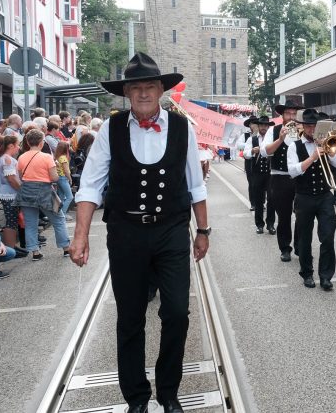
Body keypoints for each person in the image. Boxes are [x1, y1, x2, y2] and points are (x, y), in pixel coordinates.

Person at [70, 52, 210, 413]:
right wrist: (80, 236)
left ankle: (168, 392)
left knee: (178, 312)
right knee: (130, 317)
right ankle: (136, 397)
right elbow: (90, 185)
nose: (144, 93)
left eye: (150, 86)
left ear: (161, 89)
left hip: (171, 231)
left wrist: (204, 230)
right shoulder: (109, 130)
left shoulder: (183, 129)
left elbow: (196, 184)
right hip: (126, 232)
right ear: (127, 93)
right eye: (137, 88)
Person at [287, 109, 336, 290]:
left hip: (325, 196)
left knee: (328, 237)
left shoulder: (325, 143)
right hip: (304, 197)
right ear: (303, 127)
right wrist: (312, 157)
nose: (312, 130)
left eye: (314, 126)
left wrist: (328, 151)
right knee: (304, 238)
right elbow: (293, 171)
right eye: (309, 126)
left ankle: (326, 276)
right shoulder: (295, 146)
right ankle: (307, 273)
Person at [16, 129, 71, 260]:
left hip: (27, 191)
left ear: (28, 142)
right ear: (41, 143)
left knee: (30, 223)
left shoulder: (21, 157)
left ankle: (35, 252)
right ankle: (66, 248)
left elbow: (20, 177)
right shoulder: (46, 157)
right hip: (45, 191)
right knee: (58, 219)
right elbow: (54, 178)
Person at [261, 100, 304, 262]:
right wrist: (280, 139)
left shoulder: (302, 130)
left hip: (299, 177)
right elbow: (265, 152)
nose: (291, 117)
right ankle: (285, 248)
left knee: (302, 214)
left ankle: (300, 246)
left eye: (294, 114)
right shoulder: (274, 130)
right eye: (288, 114)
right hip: (279, 177)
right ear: (282, 115)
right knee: (284, 216)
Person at [247, 116, 275, 234]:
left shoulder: (272, 138)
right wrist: (253, 151)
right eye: (262, 125)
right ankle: (259, 225)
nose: (264, 127)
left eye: (266, 125)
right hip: (257, 174)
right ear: (258, 127)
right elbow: (245, 154)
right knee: (258, 201)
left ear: (268, 127)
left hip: (270, 173)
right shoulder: (252, 139)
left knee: (272, 200)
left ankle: (270, 224)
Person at [0, 135, 21, 249]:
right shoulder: (7, 158)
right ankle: (11, 248)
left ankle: (13, 247)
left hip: (8, 194)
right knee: (11, 222)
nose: (19, 148)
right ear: (11, 145)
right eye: (17, 145)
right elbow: (11, 178)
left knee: (13, 221)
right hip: (9, 194)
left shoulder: (4, 157)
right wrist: (22, 190)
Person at [54, 142, 73, 217]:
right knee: (70, 197)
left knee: (61, 197)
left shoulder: (57, 157)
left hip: (59, 178)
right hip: (63, 178)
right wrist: (70, 179)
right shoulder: (63, 158)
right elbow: (66, 171)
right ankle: (63, 214)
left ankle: (59, 213)